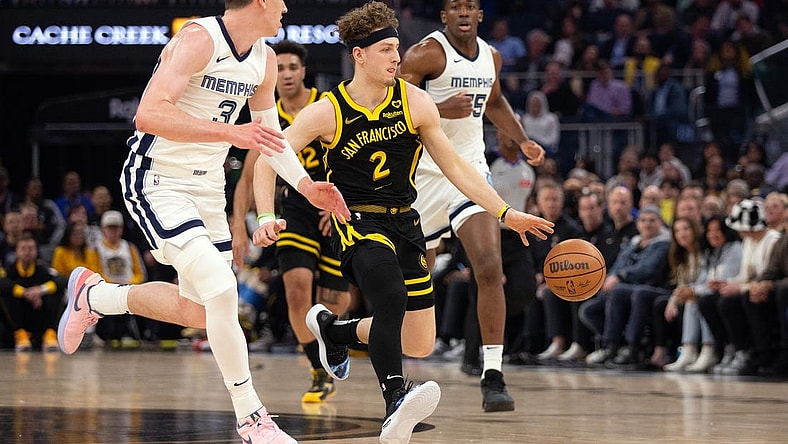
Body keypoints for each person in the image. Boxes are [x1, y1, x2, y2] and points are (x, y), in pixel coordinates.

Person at [250, 2, 554, 441]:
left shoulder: (416, 102)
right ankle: (395, 398)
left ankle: (337, 330)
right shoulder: (327, 110)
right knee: (389, 294)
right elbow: (268, 158)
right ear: (360, 55)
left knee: (418, 342)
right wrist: (265, 214)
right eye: (387, 50)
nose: (397, 57)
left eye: (397, 48)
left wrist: (507, 212)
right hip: (356, 222)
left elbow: (457, 167)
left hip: (405, 222)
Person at [56, 1, 349, 442]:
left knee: (203, 309)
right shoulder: (198, 39)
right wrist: (232, 132)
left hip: (208, 189)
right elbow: (148, 114)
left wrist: (306, 186)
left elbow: (270, 138)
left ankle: (95, 296)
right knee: (222, 288)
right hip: (160, 179)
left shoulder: (265, 59)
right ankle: (252, 418)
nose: (287, 6)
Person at [399, 0, 548, 413]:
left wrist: (522, 139)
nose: (463, 12)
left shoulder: (491, 57)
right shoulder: (425, 54)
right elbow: (392, 106)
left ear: (480, 15)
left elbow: (495, 102)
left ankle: (492, 374)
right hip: (423, 174)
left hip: (469, 169)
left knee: (489, 267)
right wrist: (440, 109)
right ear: (444, 15)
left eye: (470, 6)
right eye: (455, 6)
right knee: (412, 282)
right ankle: (385, 362)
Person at [231, 39, 351, 404]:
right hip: (295, 207)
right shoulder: (267, 115)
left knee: (335, 300)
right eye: (279, 68)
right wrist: (238, 227)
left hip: (334, 202)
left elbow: (350, 160)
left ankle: (332, 343)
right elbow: (248, 177)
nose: (285, 74)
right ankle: (317, 370)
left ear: (303, 71)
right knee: (296, 289)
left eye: (292, 68)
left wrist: (339, 203)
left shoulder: (326, 104)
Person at [0, 233, 65, 353]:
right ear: (17, 251)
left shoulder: (43, 269)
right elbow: (2, 283)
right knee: (5, 293)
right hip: (18, 315)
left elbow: (61, 280)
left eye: (31, 249)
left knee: (56, 291)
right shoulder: (10, 270)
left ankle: (50, 333)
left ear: (36, 251)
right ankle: (20, 334)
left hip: (40, 313)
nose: (27, 252)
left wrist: (40, 290)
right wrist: (24, 293)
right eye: (23, 249)